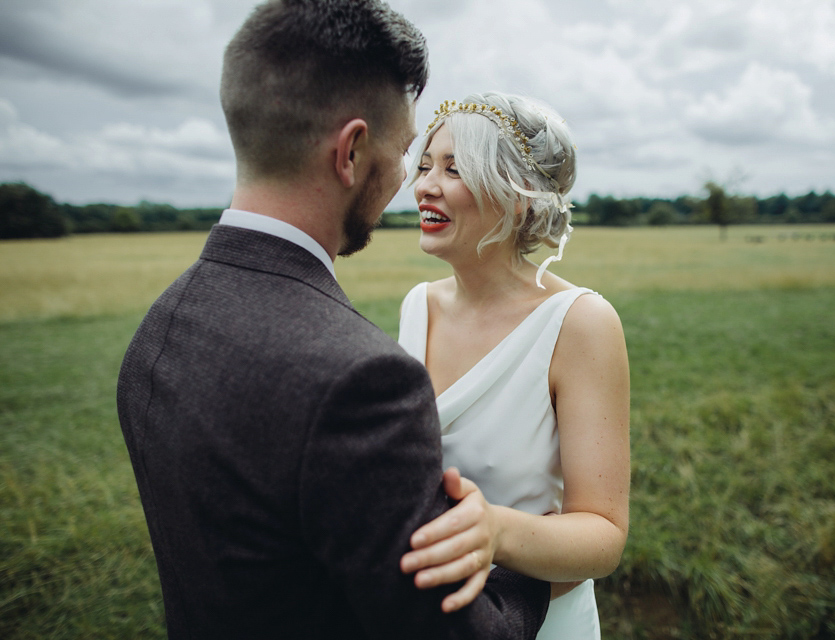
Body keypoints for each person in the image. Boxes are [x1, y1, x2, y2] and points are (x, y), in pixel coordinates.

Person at [116, 2, 551, 638]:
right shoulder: (362, 382)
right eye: (407, 152)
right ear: (350, 152)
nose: (411, 180)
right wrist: (530, 549)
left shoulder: (162, 326)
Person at [396, 92, 631, 639]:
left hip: (538, 622)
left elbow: (604, 537)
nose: (425, 185)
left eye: (454, 169)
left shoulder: (579, 322)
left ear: (518, 198)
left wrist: (494, 532)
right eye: (426, 165)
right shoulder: (417, 306)